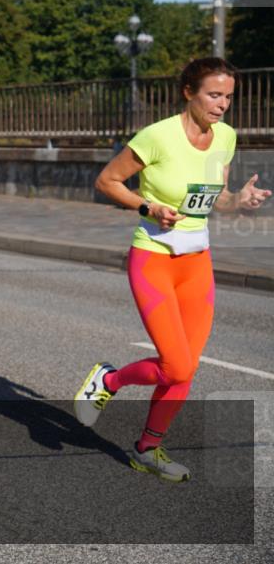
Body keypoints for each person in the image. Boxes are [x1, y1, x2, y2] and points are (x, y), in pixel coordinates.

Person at [75, 57, 271, 482]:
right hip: (154, 259)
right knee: (177, 366)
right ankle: (110, 381)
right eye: (213, 95)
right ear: (189, 92)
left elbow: (212, 199)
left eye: (228, 98)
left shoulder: (226, 137)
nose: (222, 105)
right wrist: (147, 206)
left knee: (185, 367)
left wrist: (240, 200)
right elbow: (107, 181)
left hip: (197, 263)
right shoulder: (157, 136)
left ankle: (148, 448)